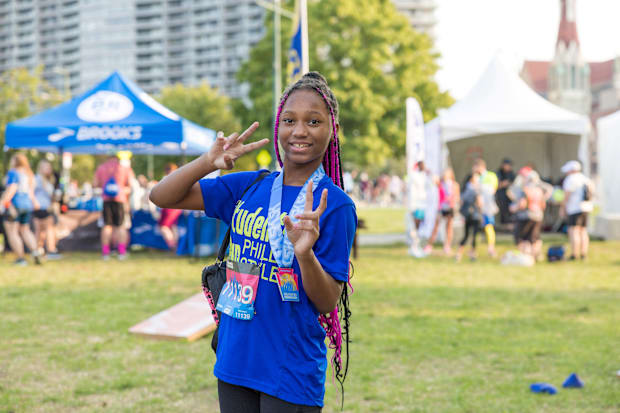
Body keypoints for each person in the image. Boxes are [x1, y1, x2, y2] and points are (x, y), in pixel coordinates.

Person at [150, 71, 356, 412]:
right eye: (290, 120)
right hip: (234, 361)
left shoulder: (334, 205)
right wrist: (206, 162)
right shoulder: (248, 186)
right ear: (278, 126)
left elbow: (326, 302)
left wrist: (305, 255)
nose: (300, 130)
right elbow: (162, 195)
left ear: (331, 129)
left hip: (289, 369)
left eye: (314, 121)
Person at [0, 154, 42, 265]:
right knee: (25, 230)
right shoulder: (28, 174)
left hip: (14, 205)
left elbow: (12, 189)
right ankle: (35, 252)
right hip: (27, 205)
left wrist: (2, 203)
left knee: (12, 232)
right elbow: (31, 193)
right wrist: (34, 203)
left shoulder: (14, 173)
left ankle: (20, 258)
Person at [93, 153, 135, 261]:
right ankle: (121, 252)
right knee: (121, 226)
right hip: (120, 200)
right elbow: (130, 185)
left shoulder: (101, 168)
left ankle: (106, 253)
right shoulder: (124, 168)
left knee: (107, 226)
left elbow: (95, 183)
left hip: (106, 200)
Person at [514, 170, 553, 261]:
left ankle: (526, 257)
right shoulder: (539, 190)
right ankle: (535, 256)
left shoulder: (525, 190)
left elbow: (522, 204)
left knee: (523, 238)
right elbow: (545, 198)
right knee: (534, 238)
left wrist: (514, 208)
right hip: (538, 216)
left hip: (525, 216)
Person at [560, 160, 593, 260]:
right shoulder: (586, 179)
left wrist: (563, 207)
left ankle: (574, 254)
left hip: (574, 208)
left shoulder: (570, 179)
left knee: (573, 230)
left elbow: (567, 195)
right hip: (586, 208)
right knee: (583, 230)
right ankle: (583, 253)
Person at [427, 168, 460, 256]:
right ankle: (429, 245)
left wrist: (452, 200)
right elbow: (434, 180)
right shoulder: (441, 184)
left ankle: (447, 246)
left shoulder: (454, 185)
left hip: (450, 207)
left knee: (449, 227)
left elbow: (457, 197)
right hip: (441, 208)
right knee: (436, 226)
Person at [33, 160, 61, 260]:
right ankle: (50, 250)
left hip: (46, 207)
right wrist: (35, 203)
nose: (49, 169)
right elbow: (31, 192)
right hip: (40, 207)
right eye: (46, 167)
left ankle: (39, 250)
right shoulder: (37, 179)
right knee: (46, 230)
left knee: (42, 231)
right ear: (41, 168)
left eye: (49, 167)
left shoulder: (50, 180)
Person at [473, 159, 499, 258]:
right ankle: (474, 249)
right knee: (477, 228)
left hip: (487, 206)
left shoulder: (491, 176)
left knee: (488, 225)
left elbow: (492, 190)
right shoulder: (476, 177)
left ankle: (491, 248)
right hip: (478, 207)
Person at [456, 172, 482, 262]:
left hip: (467, 215)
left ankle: (459, 254)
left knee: (466, 235)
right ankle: (472, 254)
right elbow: (479, 203)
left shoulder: (465, 188)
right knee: (474, 236)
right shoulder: (475, 189)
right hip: (475, 215)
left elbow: (461, 201)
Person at [157, 163, 184, 251]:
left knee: (163, 227)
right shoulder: (180, 179)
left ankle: (172, 245)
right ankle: (175, 246)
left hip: (169, 207)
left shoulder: (167, 179)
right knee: (173, 226)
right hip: (178, 207)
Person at [408, 160, 429, 257]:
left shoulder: (425, 176)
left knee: (420, 227)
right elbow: (413, 192)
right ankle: (414, 247)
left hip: (423, 205)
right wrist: (413, 207)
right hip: (417, 205)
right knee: (415, 227)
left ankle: (417, 246)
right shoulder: (415, 177)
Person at [496, 158, 516, 227]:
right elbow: (496, 185)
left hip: (510, 196)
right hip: (501, 195)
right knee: (503, 210)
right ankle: (504, 225)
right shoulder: (498, 173)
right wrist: (503, 184)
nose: (509, 167)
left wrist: (509, 184)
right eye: (507, 165)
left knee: (511, 210)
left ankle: (510, 224)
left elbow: (514, 184)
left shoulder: (511, 173)